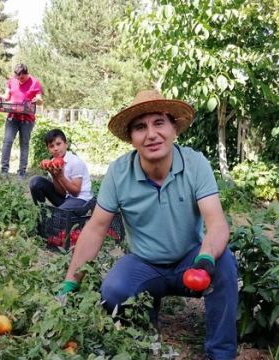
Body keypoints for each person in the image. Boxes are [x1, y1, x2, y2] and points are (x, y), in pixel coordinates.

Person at [57, 90, 238, 360]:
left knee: (225, 266)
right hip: (145, 263)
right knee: (113, 291)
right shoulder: (119, 173)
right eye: (140, 127)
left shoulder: (195, 164)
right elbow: (95, 229)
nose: (151, 134)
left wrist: (205, 259)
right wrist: (69, 284)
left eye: (159, 123)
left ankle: (221, 352)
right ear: (131, 138)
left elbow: (217, 224)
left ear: (174, 128)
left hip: (190, 260)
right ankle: (146, 319)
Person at [0, 63, 43, 179]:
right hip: (13, 117)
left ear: (27, 74)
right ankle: (4, 170)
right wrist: (0, 97)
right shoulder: (11, 81)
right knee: (7, 141)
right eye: (18, 78)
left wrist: (37, 100)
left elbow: (41, 100)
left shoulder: (35, 83)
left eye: (22, 78)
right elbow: (7, 97)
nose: (20, 80)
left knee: (24, 144)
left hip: (27, 120)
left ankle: (21, 172)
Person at [29, 129, 94, 211]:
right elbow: (62, 193)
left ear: (66, 144)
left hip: (81, 200)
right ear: (48, 149)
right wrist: (53, 174)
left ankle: (61, 214)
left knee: (58, 215)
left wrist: (61, 176)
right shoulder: (52, 163)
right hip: (65, 198)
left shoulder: (75, 162)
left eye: (58, 144)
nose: (56, 148)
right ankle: (41, 212)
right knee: (36, 182)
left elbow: (76, 193)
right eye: (51, 146)